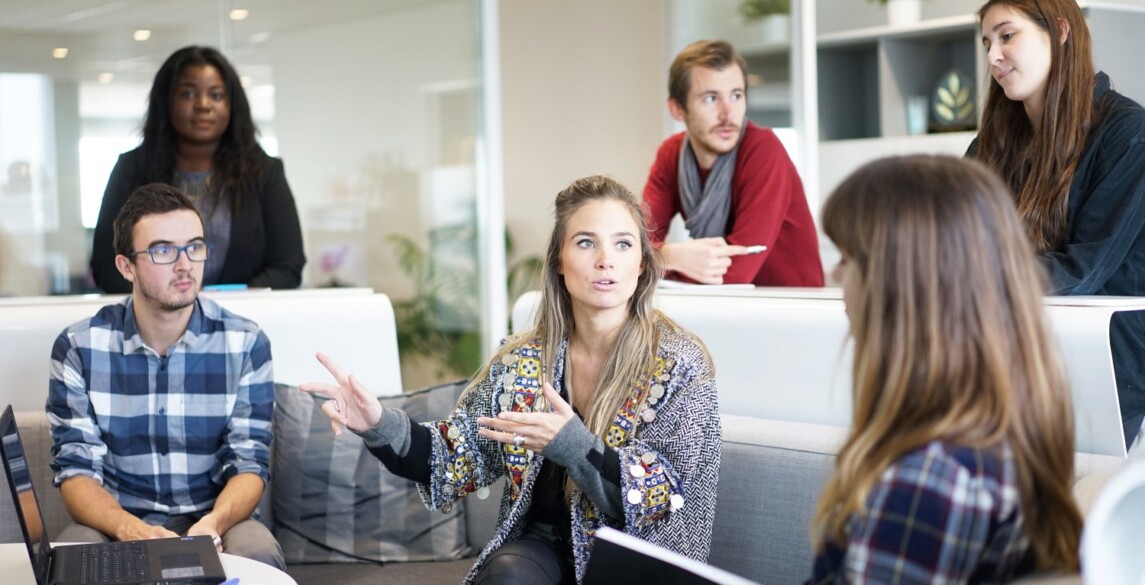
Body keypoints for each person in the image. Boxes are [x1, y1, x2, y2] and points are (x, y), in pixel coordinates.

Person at [301, 175, 721, 584]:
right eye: (586, 242)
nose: (605, 260)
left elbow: (663, 496)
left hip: (632, 559)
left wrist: (573, 446)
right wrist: (378, 425)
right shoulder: (522, 360)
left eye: (623, 244)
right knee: (507, 575)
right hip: (541, 553)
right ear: (559, 259)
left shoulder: (681, 364)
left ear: (642, 262)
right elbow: (458, 454)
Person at [809, 155, 1082, 584]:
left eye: (847, 258)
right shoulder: (1001, 432)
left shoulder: (931, 480)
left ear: (899, 283)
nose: (835, 275)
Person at [48, 183, 283, 568]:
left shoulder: (246, 343)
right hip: (117, 522)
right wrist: (131, 530)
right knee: (70, 555)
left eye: (194, 246)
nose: (185, 264)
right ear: (127, 266)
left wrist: (213, 524)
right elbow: (75, 471)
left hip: (216, 519)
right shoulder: (79, 347)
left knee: (257, 551)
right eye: (162, 250)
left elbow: (249, 463)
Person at [970, 0, 1145, 449]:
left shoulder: (1127, 133)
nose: (992, 56)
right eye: (988, 42)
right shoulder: (992, 143)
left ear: (1061, 32)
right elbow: (952, 240)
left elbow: (1082, 269)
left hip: (1105, 371)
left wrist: (963, 283)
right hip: (1011, 357)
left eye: (1008, 36)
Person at [90, 45, 305, 293]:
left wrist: (226, 305)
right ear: (166, 101)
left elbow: (288, 266)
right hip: (155, 325)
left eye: (216, 95)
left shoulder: (265, 172)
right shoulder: (133, 169)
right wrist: (172, 301)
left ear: (232, 105)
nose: (203, 105)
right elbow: (107, 268)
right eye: (188, 94)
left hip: (243, 321)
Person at [642, 39, 823, 287]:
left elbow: (736, 272)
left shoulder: (763, 151)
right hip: (724, 308)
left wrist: (656, 260)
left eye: (736, 96)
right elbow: (634, 245)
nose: (728, 114)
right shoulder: (671, 155)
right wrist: (670, 255)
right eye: (710, 98)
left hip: (790, 311)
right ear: (677, 110)